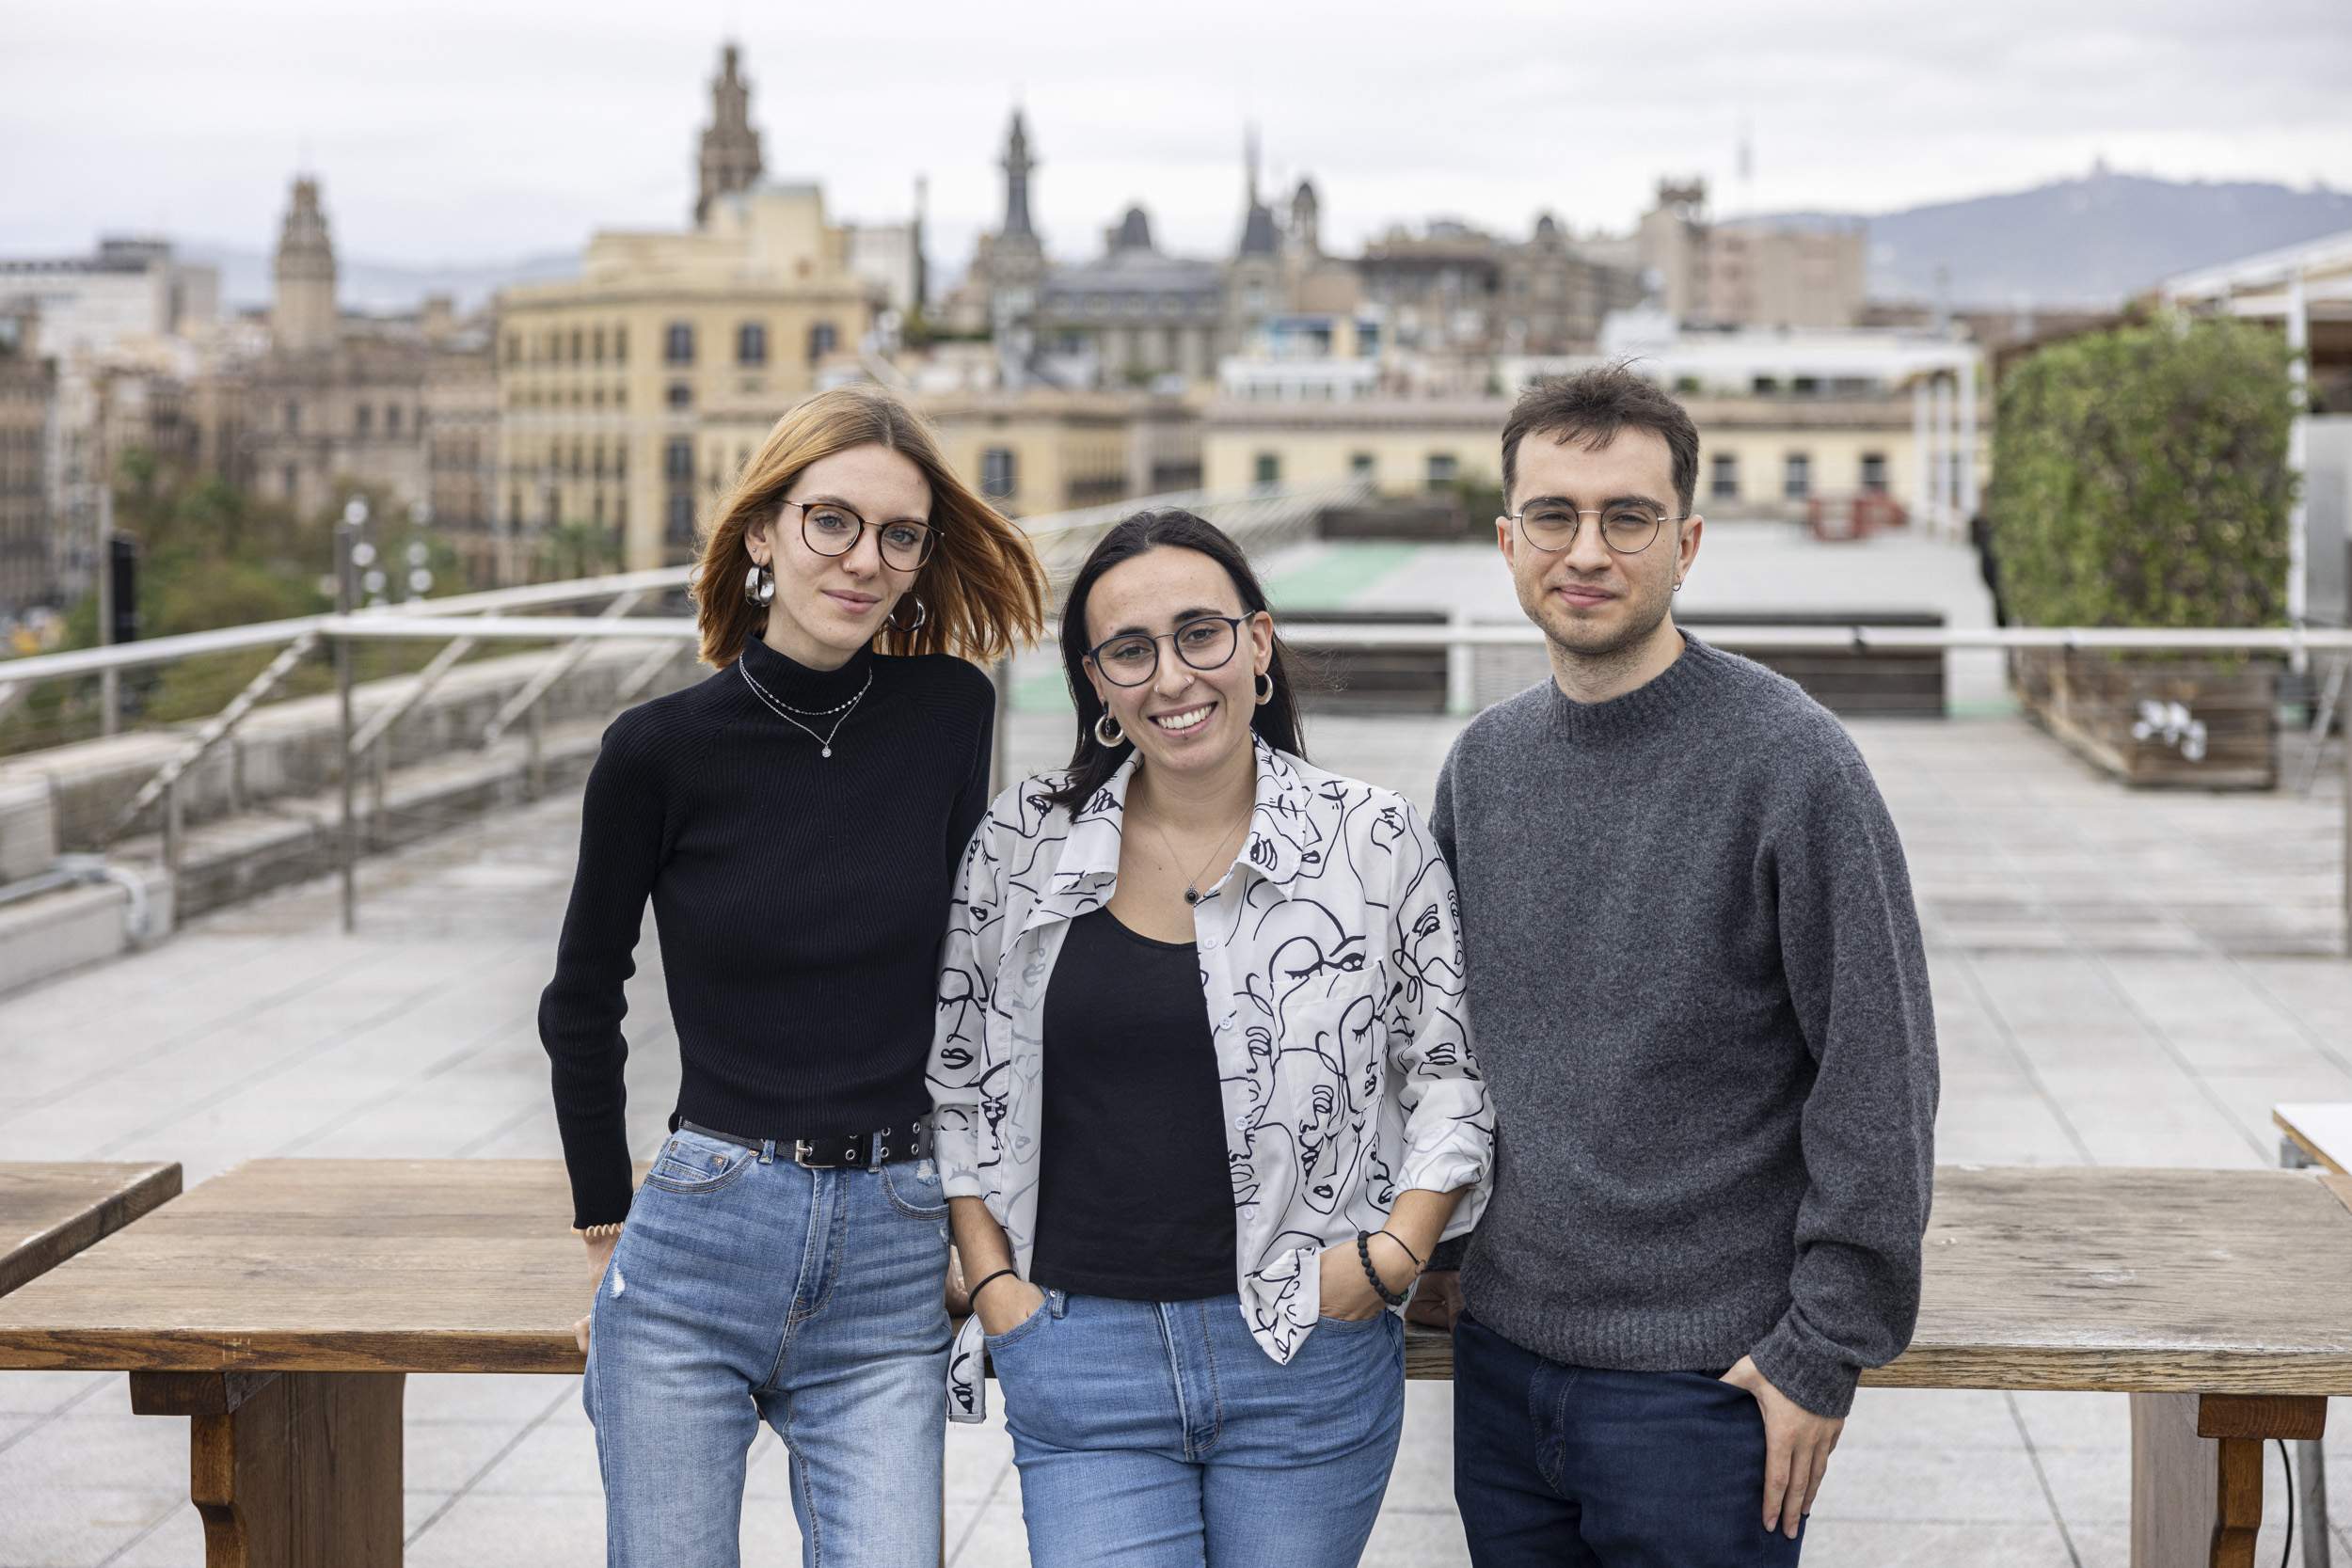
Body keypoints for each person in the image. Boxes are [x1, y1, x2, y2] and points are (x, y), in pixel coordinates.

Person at [1416, 367, 1939, 1564]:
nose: (1585, 549)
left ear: (1687, 540)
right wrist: (1439, 1256)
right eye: (1553, 515)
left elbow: (1881, 1066)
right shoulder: (1482, 767)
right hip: (1501, 1367)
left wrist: (1825, 1342)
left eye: (1627, 516)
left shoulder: (1791, 763)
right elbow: (1435, 1044)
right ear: (1508, 542)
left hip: (1704, 1386)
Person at [538, 384, 1045, 1566]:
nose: (864, 558)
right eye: (832, 521)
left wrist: (981, 1232)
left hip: (892, 1245)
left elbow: (973, 981)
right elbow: (581, 999)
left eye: (898, 534)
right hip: (703, 1232)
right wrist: (608, 1229)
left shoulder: (950, 711)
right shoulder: (657, 751)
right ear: (763, 530)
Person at [930, 508, 1494, 1568]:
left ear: (1259, 643)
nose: (1173, 676)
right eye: (1129, 651)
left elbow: (1449, 1077)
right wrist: (992, 1279)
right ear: (1094, 681)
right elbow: (957, 1077)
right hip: (1078, 1348)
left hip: (1305, 1356)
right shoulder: (1022, 840)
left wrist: (1386, 1260)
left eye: (1202, 633)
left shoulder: (1369, 838)